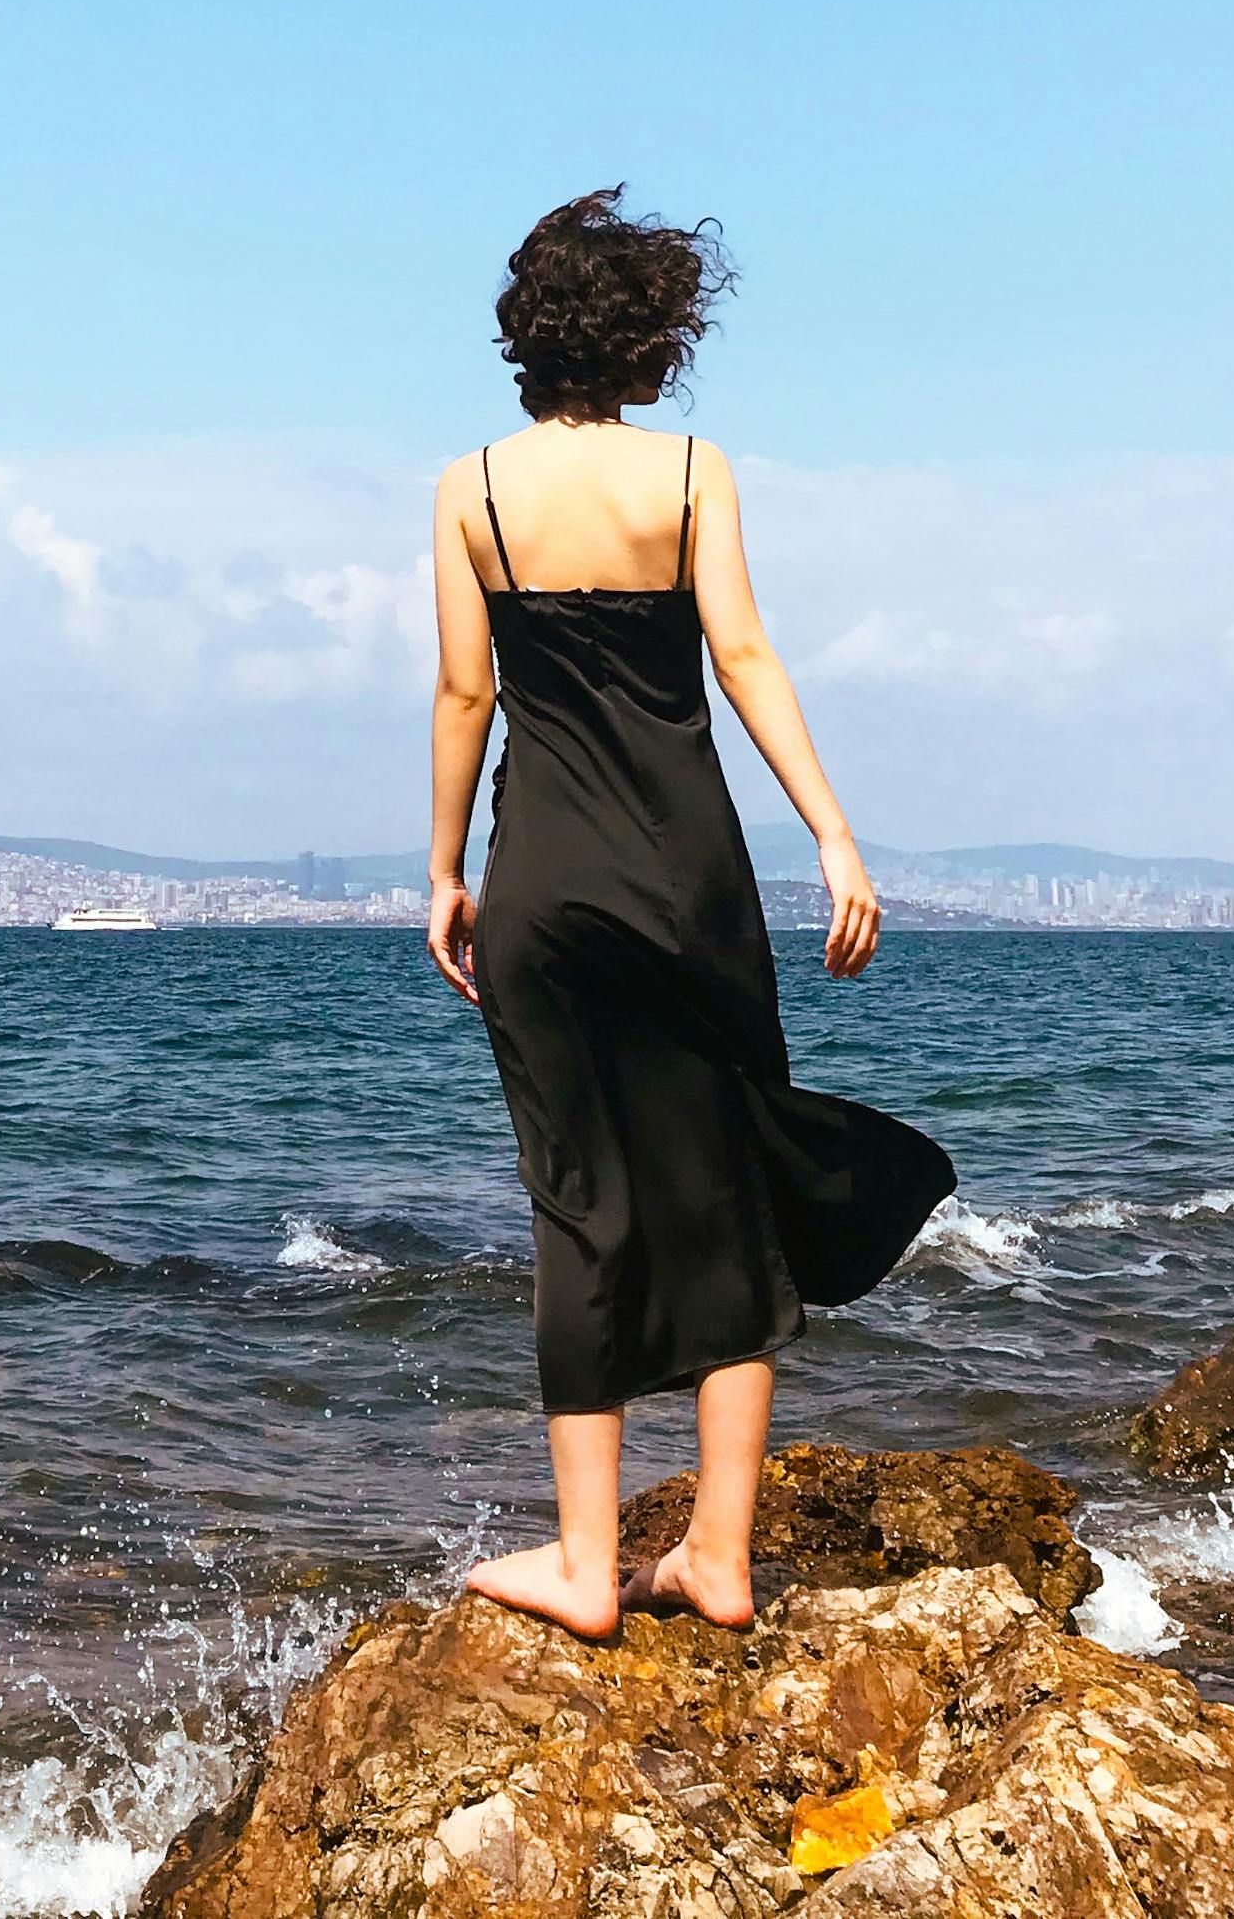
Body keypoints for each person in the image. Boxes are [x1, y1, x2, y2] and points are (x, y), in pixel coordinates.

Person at [427, 189, 953, 1640]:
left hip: (545, 879)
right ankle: (717, 1553)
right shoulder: (690, 476)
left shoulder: (466, 490)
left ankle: (585, 1564)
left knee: (577, 1201)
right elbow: (741, 653)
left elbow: (466, 693)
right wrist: (836, 839)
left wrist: (441, 873)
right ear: (647, 338)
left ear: (528, 338)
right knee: (728, 1183)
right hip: (689, 876)